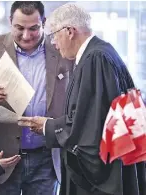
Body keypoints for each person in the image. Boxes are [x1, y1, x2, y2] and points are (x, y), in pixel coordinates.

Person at [18, 3, 146, 195]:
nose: (53, 43)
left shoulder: (95, 59)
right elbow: (90, 115)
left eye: (54, 35)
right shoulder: (102, 52)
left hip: (101, 177)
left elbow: (90, 128)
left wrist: (48, 127)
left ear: (70, 31)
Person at [0, 1, 72, 194]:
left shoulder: (61, 50)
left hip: (47, 157)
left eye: (33, 28)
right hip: (2, 155)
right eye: (19, 28)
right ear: (10, 22)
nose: (26, 35)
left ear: (44, 22)